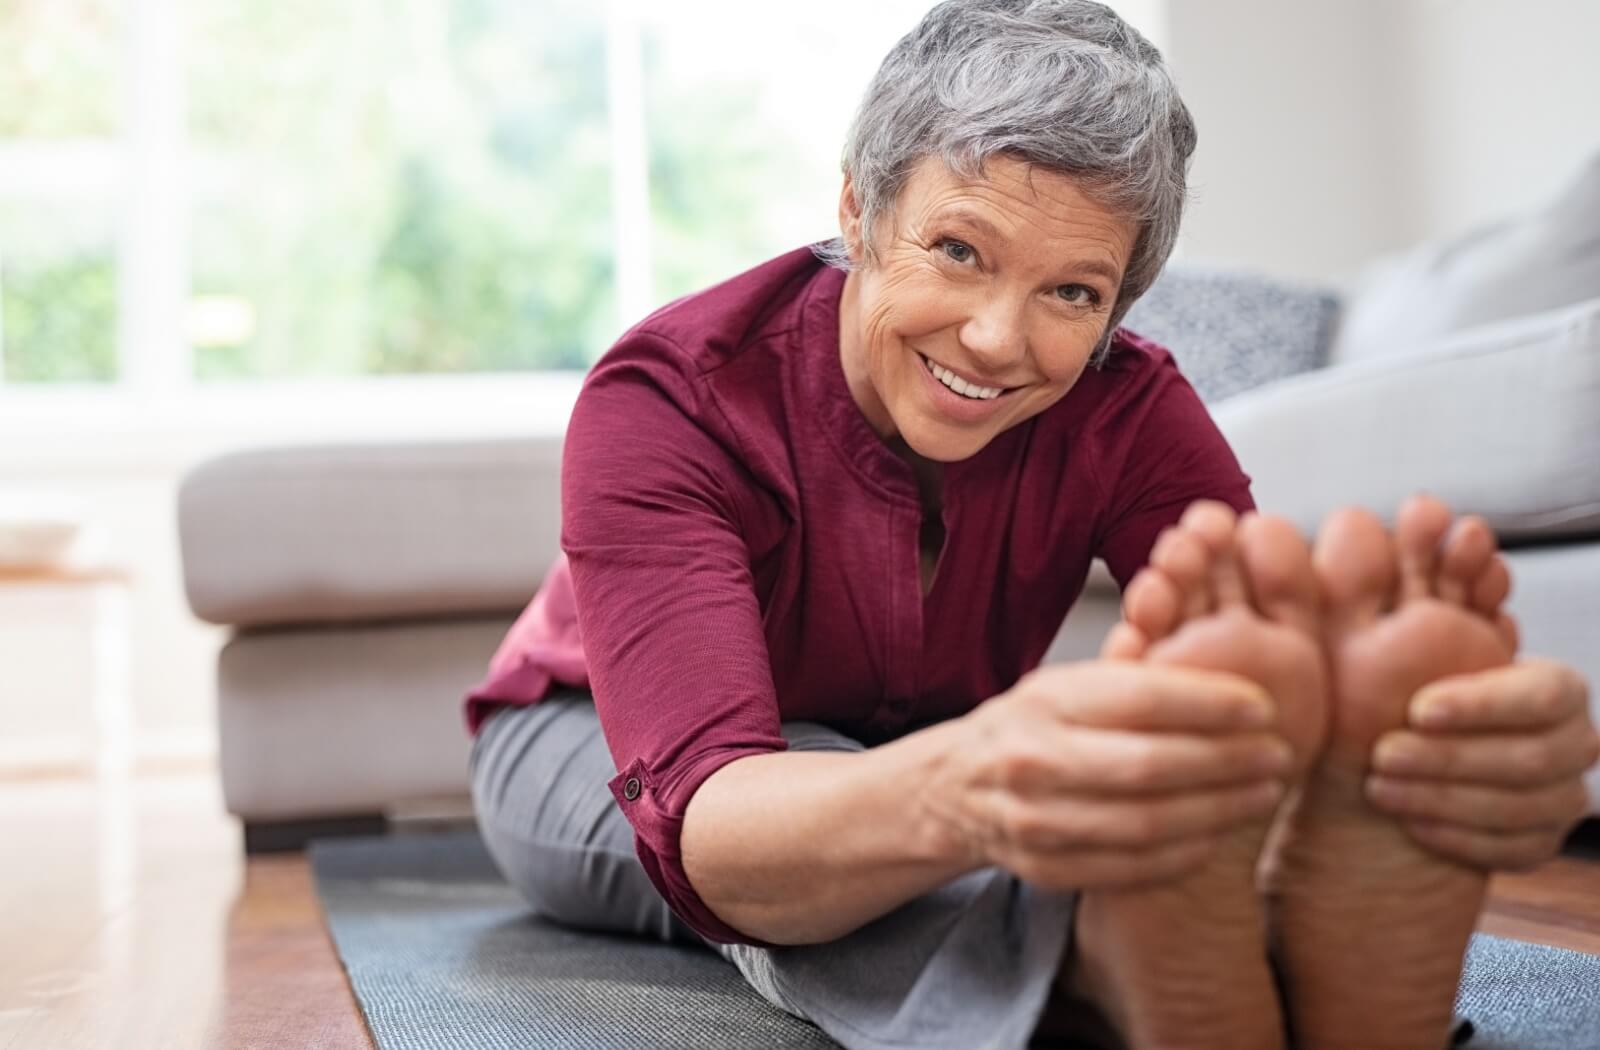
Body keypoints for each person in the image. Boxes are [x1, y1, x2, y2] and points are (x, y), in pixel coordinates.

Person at [464, 2, 1600, 1047]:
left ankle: (1240, 932)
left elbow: (1266, 650)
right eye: (958, 251)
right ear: (859, 206)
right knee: (872, 841)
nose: (1002, 340)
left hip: (909, 741)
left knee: (996, 796)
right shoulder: (669, 396)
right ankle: (1103, 957)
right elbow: (711, 818)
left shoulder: (1128, 404)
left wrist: (1420, 748)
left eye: (1072, 293)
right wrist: (976, 775)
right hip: (602, 740)